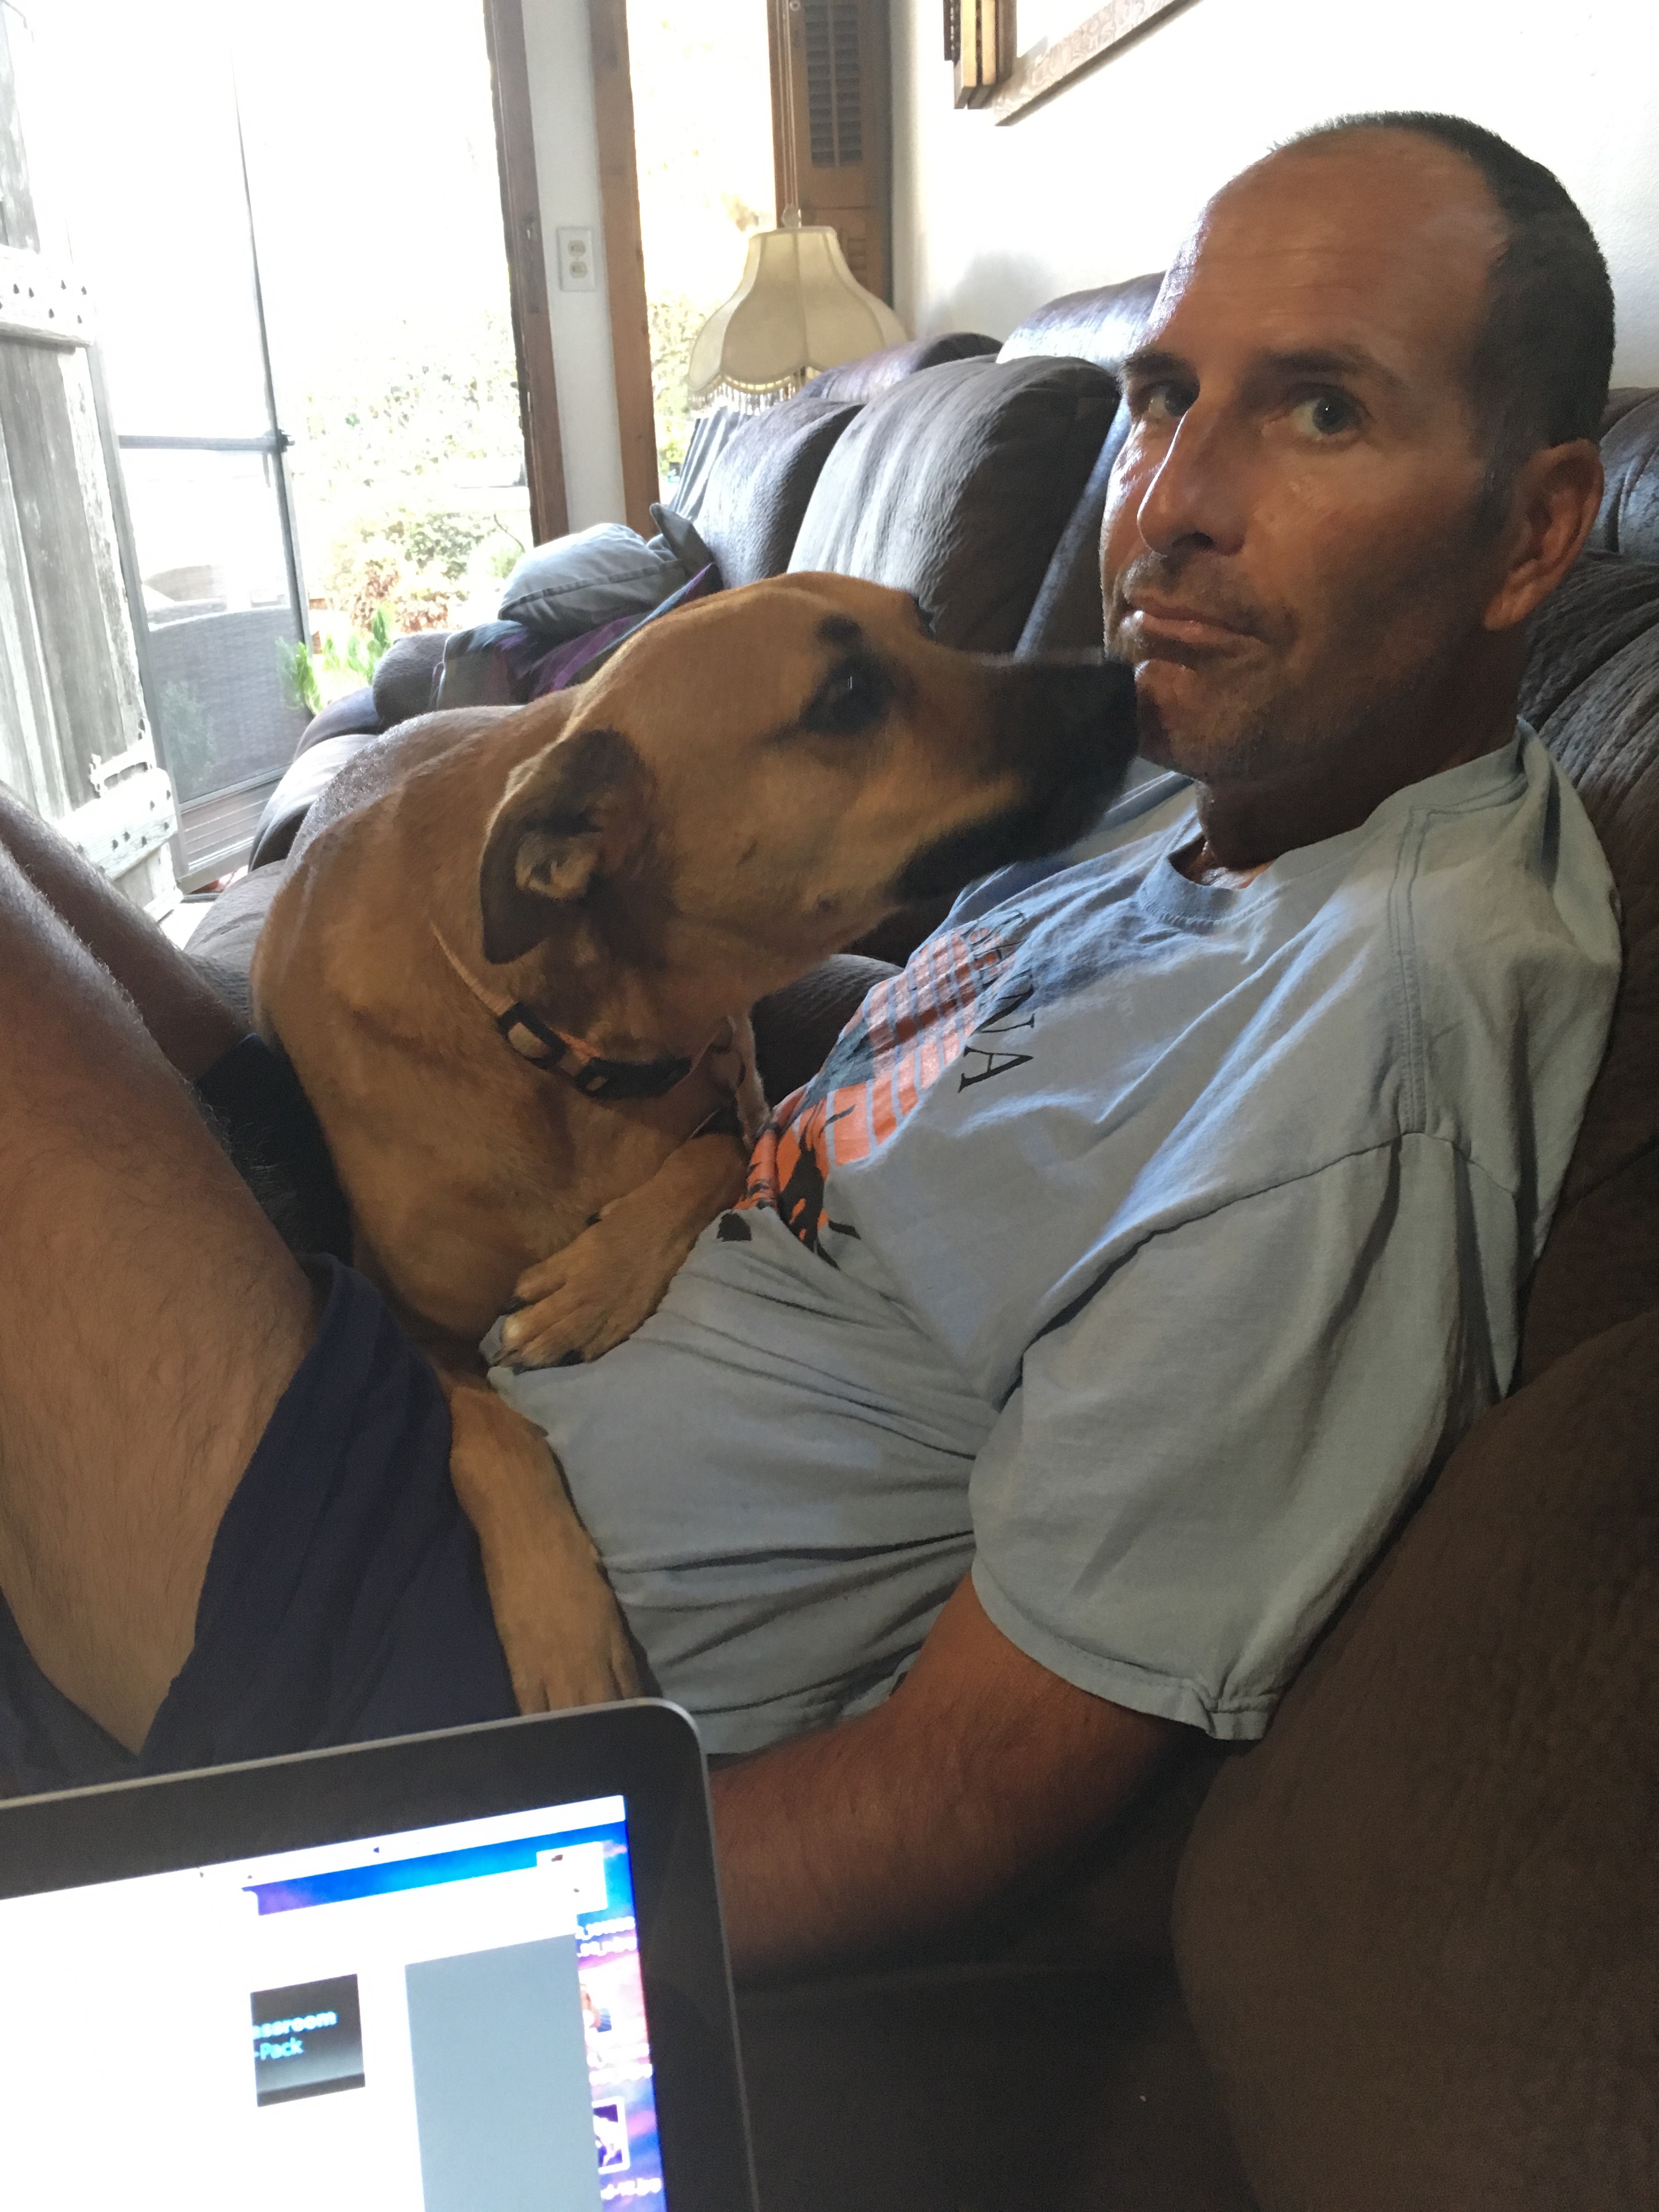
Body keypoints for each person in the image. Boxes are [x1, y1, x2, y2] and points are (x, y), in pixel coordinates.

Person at [0, 113, 1623, 1979]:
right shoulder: (1190, 791)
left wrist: (481, 1942)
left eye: (1322, 410)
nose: (1173, 496)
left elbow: (967, 1790)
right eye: (1165, 397)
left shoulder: (1360, 1050)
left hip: (411, 1667)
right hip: (433, 1410)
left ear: (1535, 531)